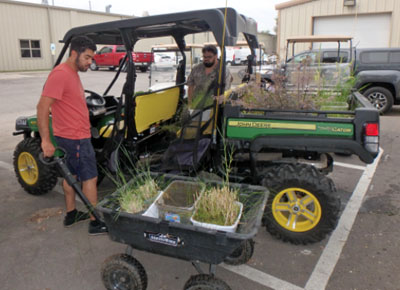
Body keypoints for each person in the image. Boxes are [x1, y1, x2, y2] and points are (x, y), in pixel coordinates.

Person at [37, 36, 107, 235]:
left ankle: (71, 214)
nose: (90, 62)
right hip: (75, 137)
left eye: (92, 58)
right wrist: (45, 140)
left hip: (71, 136)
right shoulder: (61, 74)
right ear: (74, 53)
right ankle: (95, 222)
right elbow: (42, 107)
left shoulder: (72, 72)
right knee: (90, 179)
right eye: (87, 57)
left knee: (71, 176)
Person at [187, 44, 233, 117]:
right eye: (205, 57)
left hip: (214, 106)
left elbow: (226, 89)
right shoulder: (197, 68)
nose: (206, 59)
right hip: (197, 104)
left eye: (209, 57)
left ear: (215, 56)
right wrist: (190, 103)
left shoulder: (223, 70)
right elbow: (190, 85)